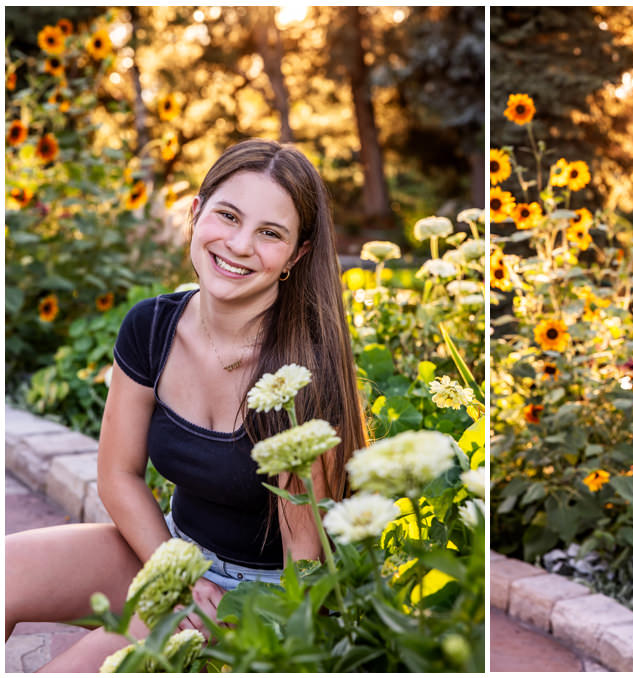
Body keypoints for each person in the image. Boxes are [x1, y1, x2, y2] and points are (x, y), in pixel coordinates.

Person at [5, 139, 367, 671]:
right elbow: (118, 475)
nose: (240, 244)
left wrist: (202, 607)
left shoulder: (299, 376)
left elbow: (304, 571)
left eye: (270, 233)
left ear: (297, 255)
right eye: (228, 215)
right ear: (196, 214)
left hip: (259, 596)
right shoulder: (152, 327)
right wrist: (178, 575)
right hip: (174, 550)